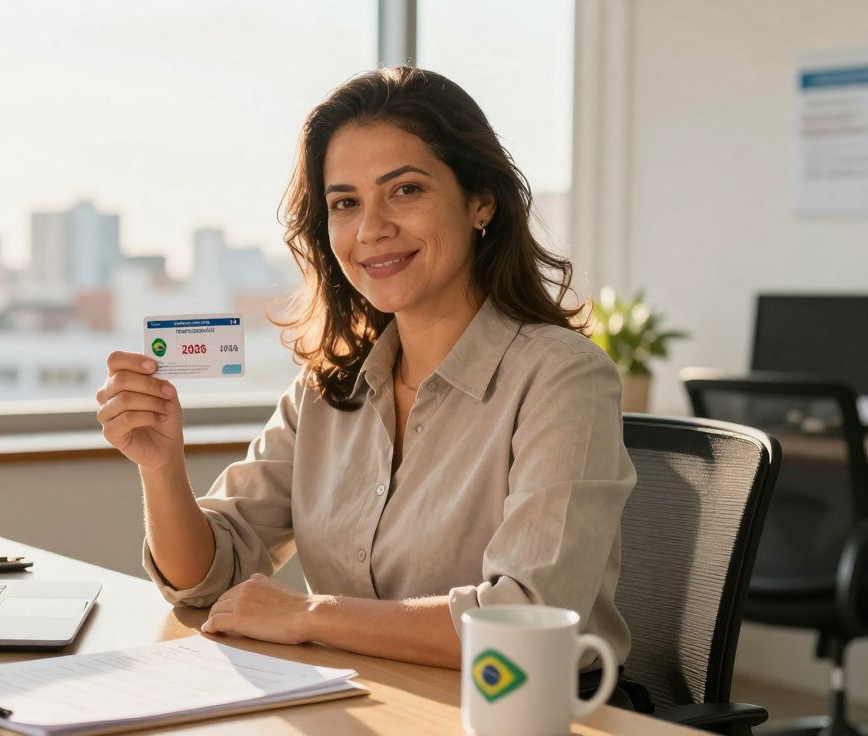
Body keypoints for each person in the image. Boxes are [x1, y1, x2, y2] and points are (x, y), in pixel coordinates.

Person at [94, 66, 636, 670]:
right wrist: (162, 467)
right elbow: (206, 578)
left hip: (522, 713)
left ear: (480, 200)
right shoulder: (328, 388)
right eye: (345, 203)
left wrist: (307, 616)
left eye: (406, 190)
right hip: (366, 701)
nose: (371, 230)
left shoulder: (562, 377)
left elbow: (528, 622)